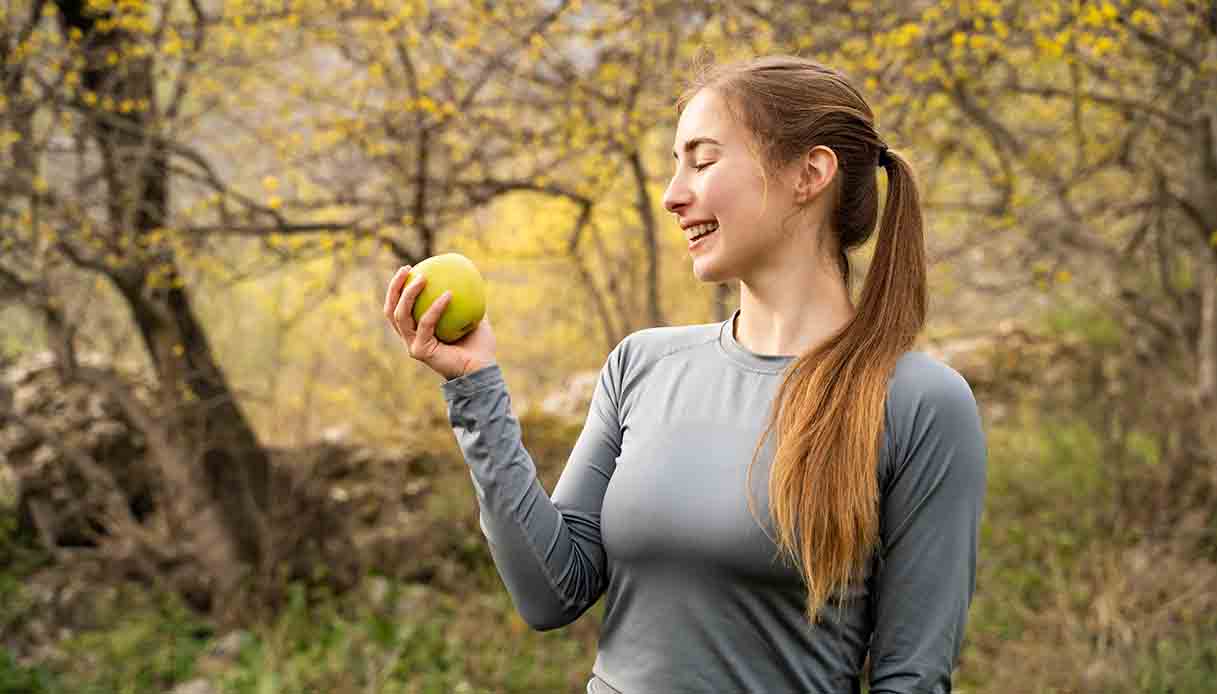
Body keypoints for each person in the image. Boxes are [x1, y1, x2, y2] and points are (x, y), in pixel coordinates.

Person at [384, 54, 987, 694]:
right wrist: (474, 386)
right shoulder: (642, 366)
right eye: (675, 165)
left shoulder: (920, 403)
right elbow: (549, 592)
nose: (674, 195)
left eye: (702, 161)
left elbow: (912, 679)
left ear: (809, 174)